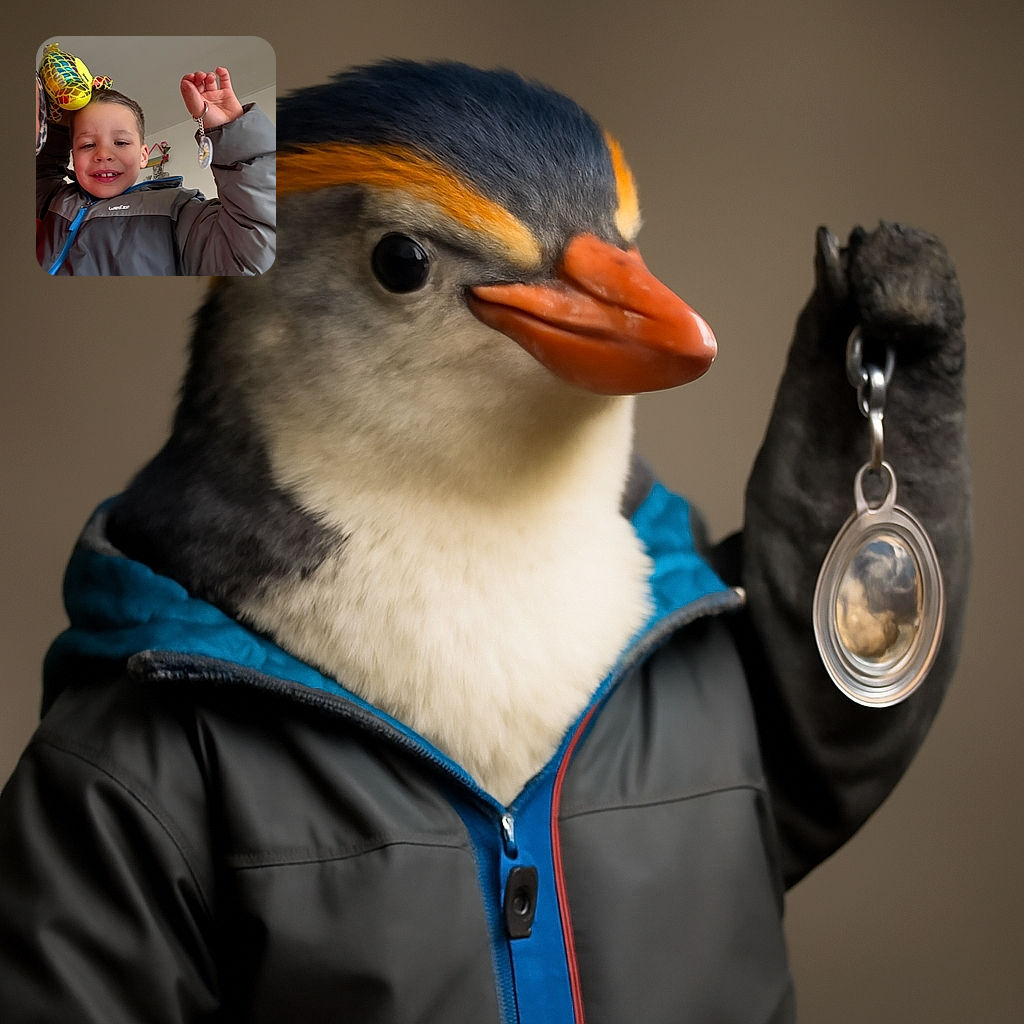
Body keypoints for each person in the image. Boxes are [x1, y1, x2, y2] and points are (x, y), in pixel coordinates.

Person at [37, 66, 275, 275]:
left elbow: (254, 250)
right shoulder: (55, 200)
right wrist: (57, 127)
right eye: (87, 145)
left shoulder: (178, 211)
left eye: (120, 143)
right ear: (73, 155)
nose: (103, 154)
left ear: (143, 156)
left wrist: (232, 134)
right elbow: (39, 173)